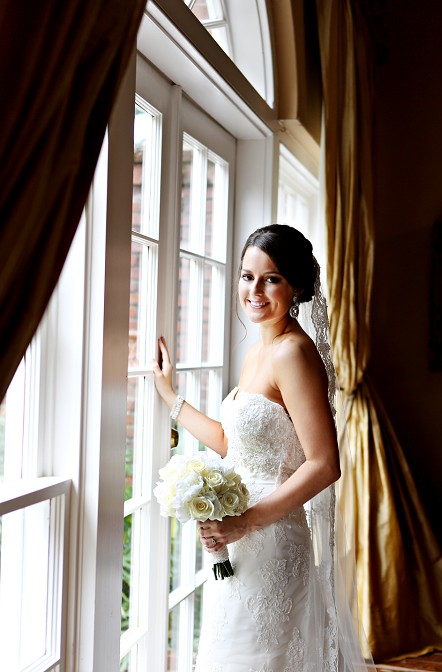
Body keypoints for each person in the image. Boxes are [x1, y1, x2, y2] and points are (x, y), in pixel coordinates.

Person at [152, 224, 373, 671]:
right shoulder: (260, 351)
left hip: (270, 543)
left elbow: (325, 464)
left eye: (270, 278)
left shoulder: (292, 353)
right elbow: (234, 445)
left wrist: (245, 522)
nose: (254, 290)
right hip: (237, 540)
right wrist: (169, 396)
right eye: (246, 276)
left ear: (295, 287)